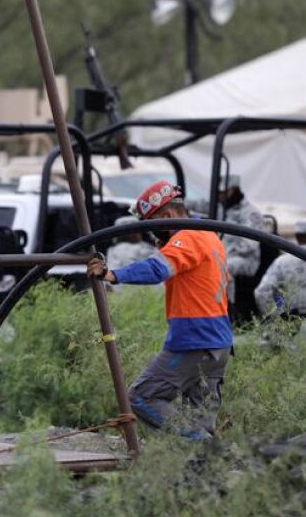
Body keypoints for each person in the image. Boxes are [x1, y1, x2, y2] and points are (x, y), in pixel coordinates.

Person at [87, 180, 232, 440]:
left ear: (167, 216)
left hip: (194, 342)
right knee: (198, 416)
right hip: (218, 344)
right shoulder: (208, 235)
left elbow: (157, 269)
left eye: (153, 225)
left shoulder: (188, 238)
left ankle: (201, 441)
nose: (154, 236)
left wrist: (111, 274)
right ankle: (207, 470)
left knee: (141, 397)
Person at [254, 219, 306, 319]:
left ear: (297, 237)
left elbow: (262, 292)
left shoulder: (281, 262)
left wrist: (276, 317)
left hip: (293, 326)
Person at [218, 174, 263, 323]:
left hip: (246, 260)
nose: (220, 196)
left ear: (233, 190)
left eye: (224, 193)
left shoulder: (251, 213)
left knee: (224, 267)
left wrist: (224, 255)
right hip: (224, 255)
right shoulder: (223, 209)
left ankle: (227, 309)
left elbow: (249, 244)